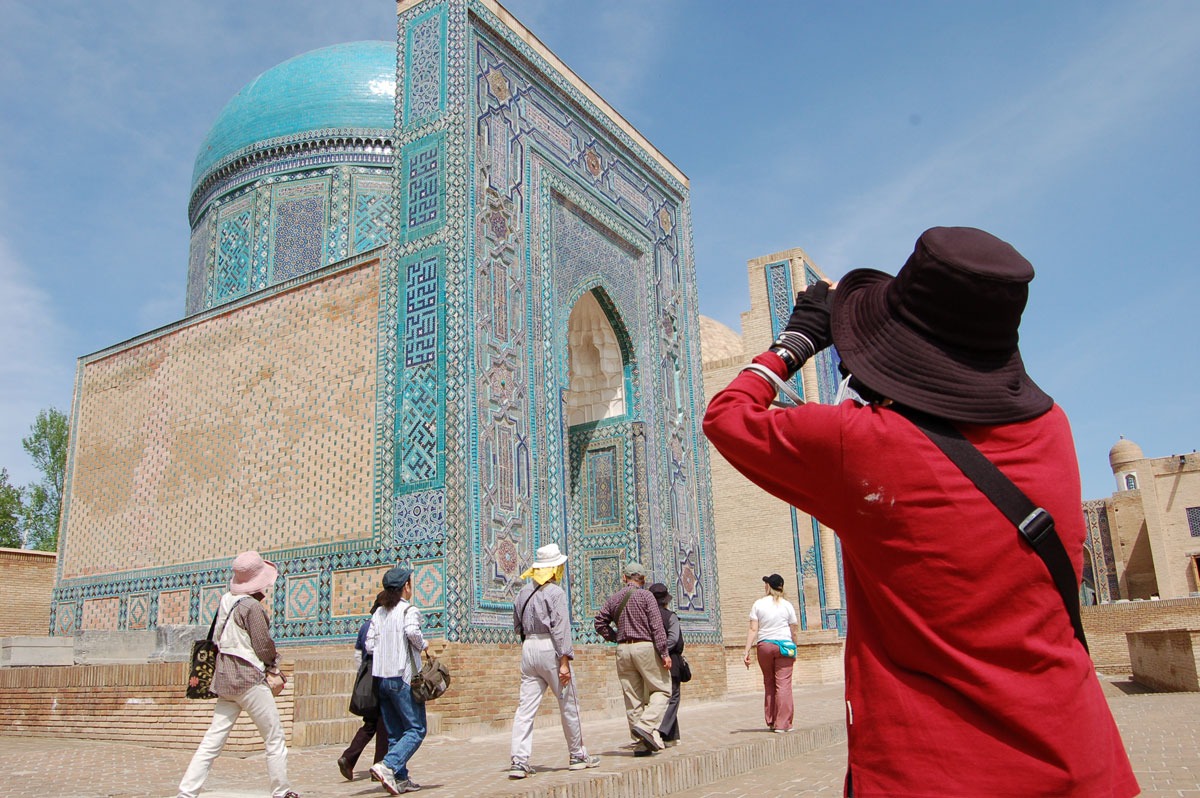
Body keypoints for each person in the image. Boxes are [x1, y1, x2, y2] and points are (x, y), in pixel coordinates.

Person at [703, 227, 1138, 797]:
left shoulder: (862, 445)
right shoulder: (1052, 428)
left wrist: (799, 339)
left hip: (935, 770)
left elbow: (727, 414)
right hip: (1079, 759)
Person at [177, 551, 299, 798]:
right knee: (274, 737)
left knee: (213, 741)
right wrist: (274, 667)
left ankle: (187, 792)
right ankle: (281, 790)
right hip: (249, 680)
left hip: (224, 680)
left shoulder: (226, 601)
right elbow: (263, 646)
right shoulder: (251, 607)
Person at [506, 543, 600, 779]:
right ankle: (577, 754)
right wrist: (564, 661)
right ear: (554, 568)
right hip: (551, 649)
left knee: (525, 709)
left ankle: (519, 760)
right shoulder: (556, 593)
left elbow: (517, 625)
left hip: (528, 649)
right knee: (568, 704)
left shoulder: (522, 592)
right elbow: (560, 628)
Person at [593, 561, 671, 754]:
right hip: (644, 647)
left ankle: (640, 744)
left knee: (632, 697)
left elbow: (599, 623)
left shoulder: (614, 599)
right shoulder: (647, 596)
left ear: (624, 578)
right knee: (663, 689)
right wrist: (664, 652)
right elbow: (656, 626)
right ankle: (646, 726)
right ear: (643, 579)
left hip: (622, 650)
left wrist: (615, 637)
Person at [366, 566, 429, 795]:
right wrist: (423, 645)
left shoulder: (379, 613)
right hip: (402, 677)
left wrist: (385, 651)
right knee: (416, 729)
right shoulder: (408, 610)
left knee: (395, 733)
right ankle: (388, 765)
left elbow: (369, 645)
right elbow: (413, 632)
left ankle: (401, 779)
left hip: (382, 679)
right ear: (406, 587)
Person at [338, 592, 389, 781]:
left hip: (367, 681)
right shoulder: (383, 625)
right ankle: (379, 768)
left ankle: (348, 758)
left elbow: (358, 656)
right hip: (383, 678)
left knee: (370, 724)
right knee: (384, 724)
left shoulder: (365, 626)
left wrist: (362, 676)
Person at [743, 574, 799, 733]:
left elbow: (753, 629)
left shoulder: (758, 604)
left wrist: (746, 650)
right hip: (785, 647)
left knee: (769, 683)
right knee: (784, 684)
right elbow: (793, 630)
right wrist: (794, 647)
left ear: (768, 586)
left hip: (765, 646)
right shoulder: (787, 605)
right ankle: (783, 724)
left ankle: (772, 721)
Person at [648, 582, 684, 746]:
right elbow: (674, 638)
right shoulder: (670, 616)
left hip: (651, 661)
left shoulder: (646, 617)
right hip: (670, 660)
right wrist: (662, 651)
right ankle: (660, 730)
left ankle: (671, 736)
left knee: (660, 696)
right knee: (672, 696)